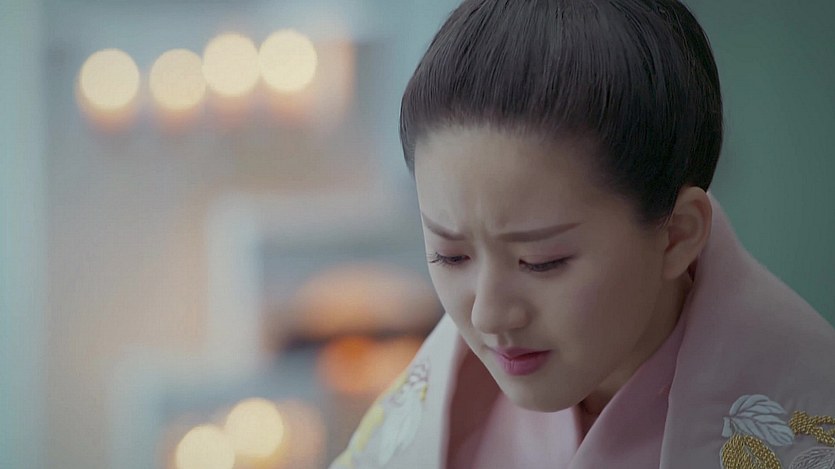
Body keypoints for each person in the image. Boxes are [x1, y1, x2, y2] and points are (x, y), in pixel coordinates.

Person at [331, 0, 835, 467]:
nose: (488, 314)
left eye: (541, 261)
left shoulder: (809, 419)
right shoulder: (443, 411)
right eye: (450, 255)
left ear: (678, 235)